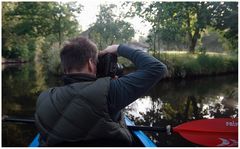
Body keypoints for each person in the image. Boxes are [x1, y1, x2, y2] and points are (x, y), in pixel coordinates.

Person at [35, 37, 167, 146]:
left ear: (64, 68)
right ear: (91, 64)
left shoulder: (44, 97)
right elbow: (157, 68)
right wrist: (118, 48)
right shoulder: (110, 91)